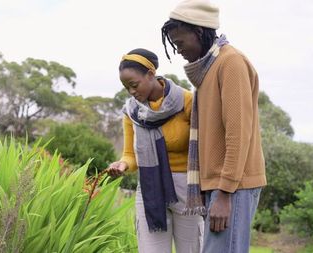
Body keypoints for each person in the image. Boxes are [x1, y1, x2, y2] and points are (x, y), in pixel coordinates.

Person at [160, 0, 267, 252]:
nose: (178, 50)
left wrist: (225, 192)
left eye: (180, 43)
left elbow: (238, 132)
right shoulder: (209, 69)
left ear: (198, 32)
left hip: (233, 186)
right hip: (220, 186)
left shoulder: (231, 63)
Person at [106, 48, 204, 253]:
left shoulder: (187, 101)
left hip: (187, 189)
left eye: (134, 85)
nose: (132, 92)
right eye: (126, 88)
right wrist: (122, 165)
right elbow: (130, 155)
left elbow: (204, 146)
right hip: (150, 189)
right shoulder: (132, 112)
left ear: (151, 74)